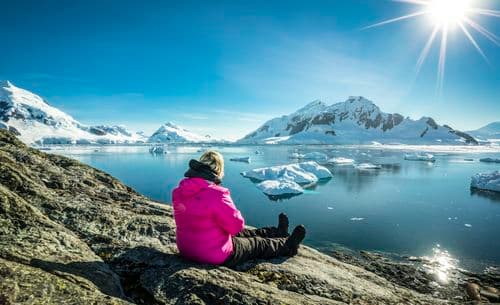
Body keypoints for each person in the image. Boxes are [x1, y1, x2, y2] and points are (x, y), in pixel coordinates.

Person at [172, 150, 306, 268]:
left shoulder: (178, 191)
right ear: (218, 170)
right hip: (213, 254)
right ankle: (289, 246)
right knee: (257, 244)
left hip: (186, 249)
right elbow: (236, 227)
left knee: (245, 234)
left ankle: (277, 232)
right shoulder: (216, 194)